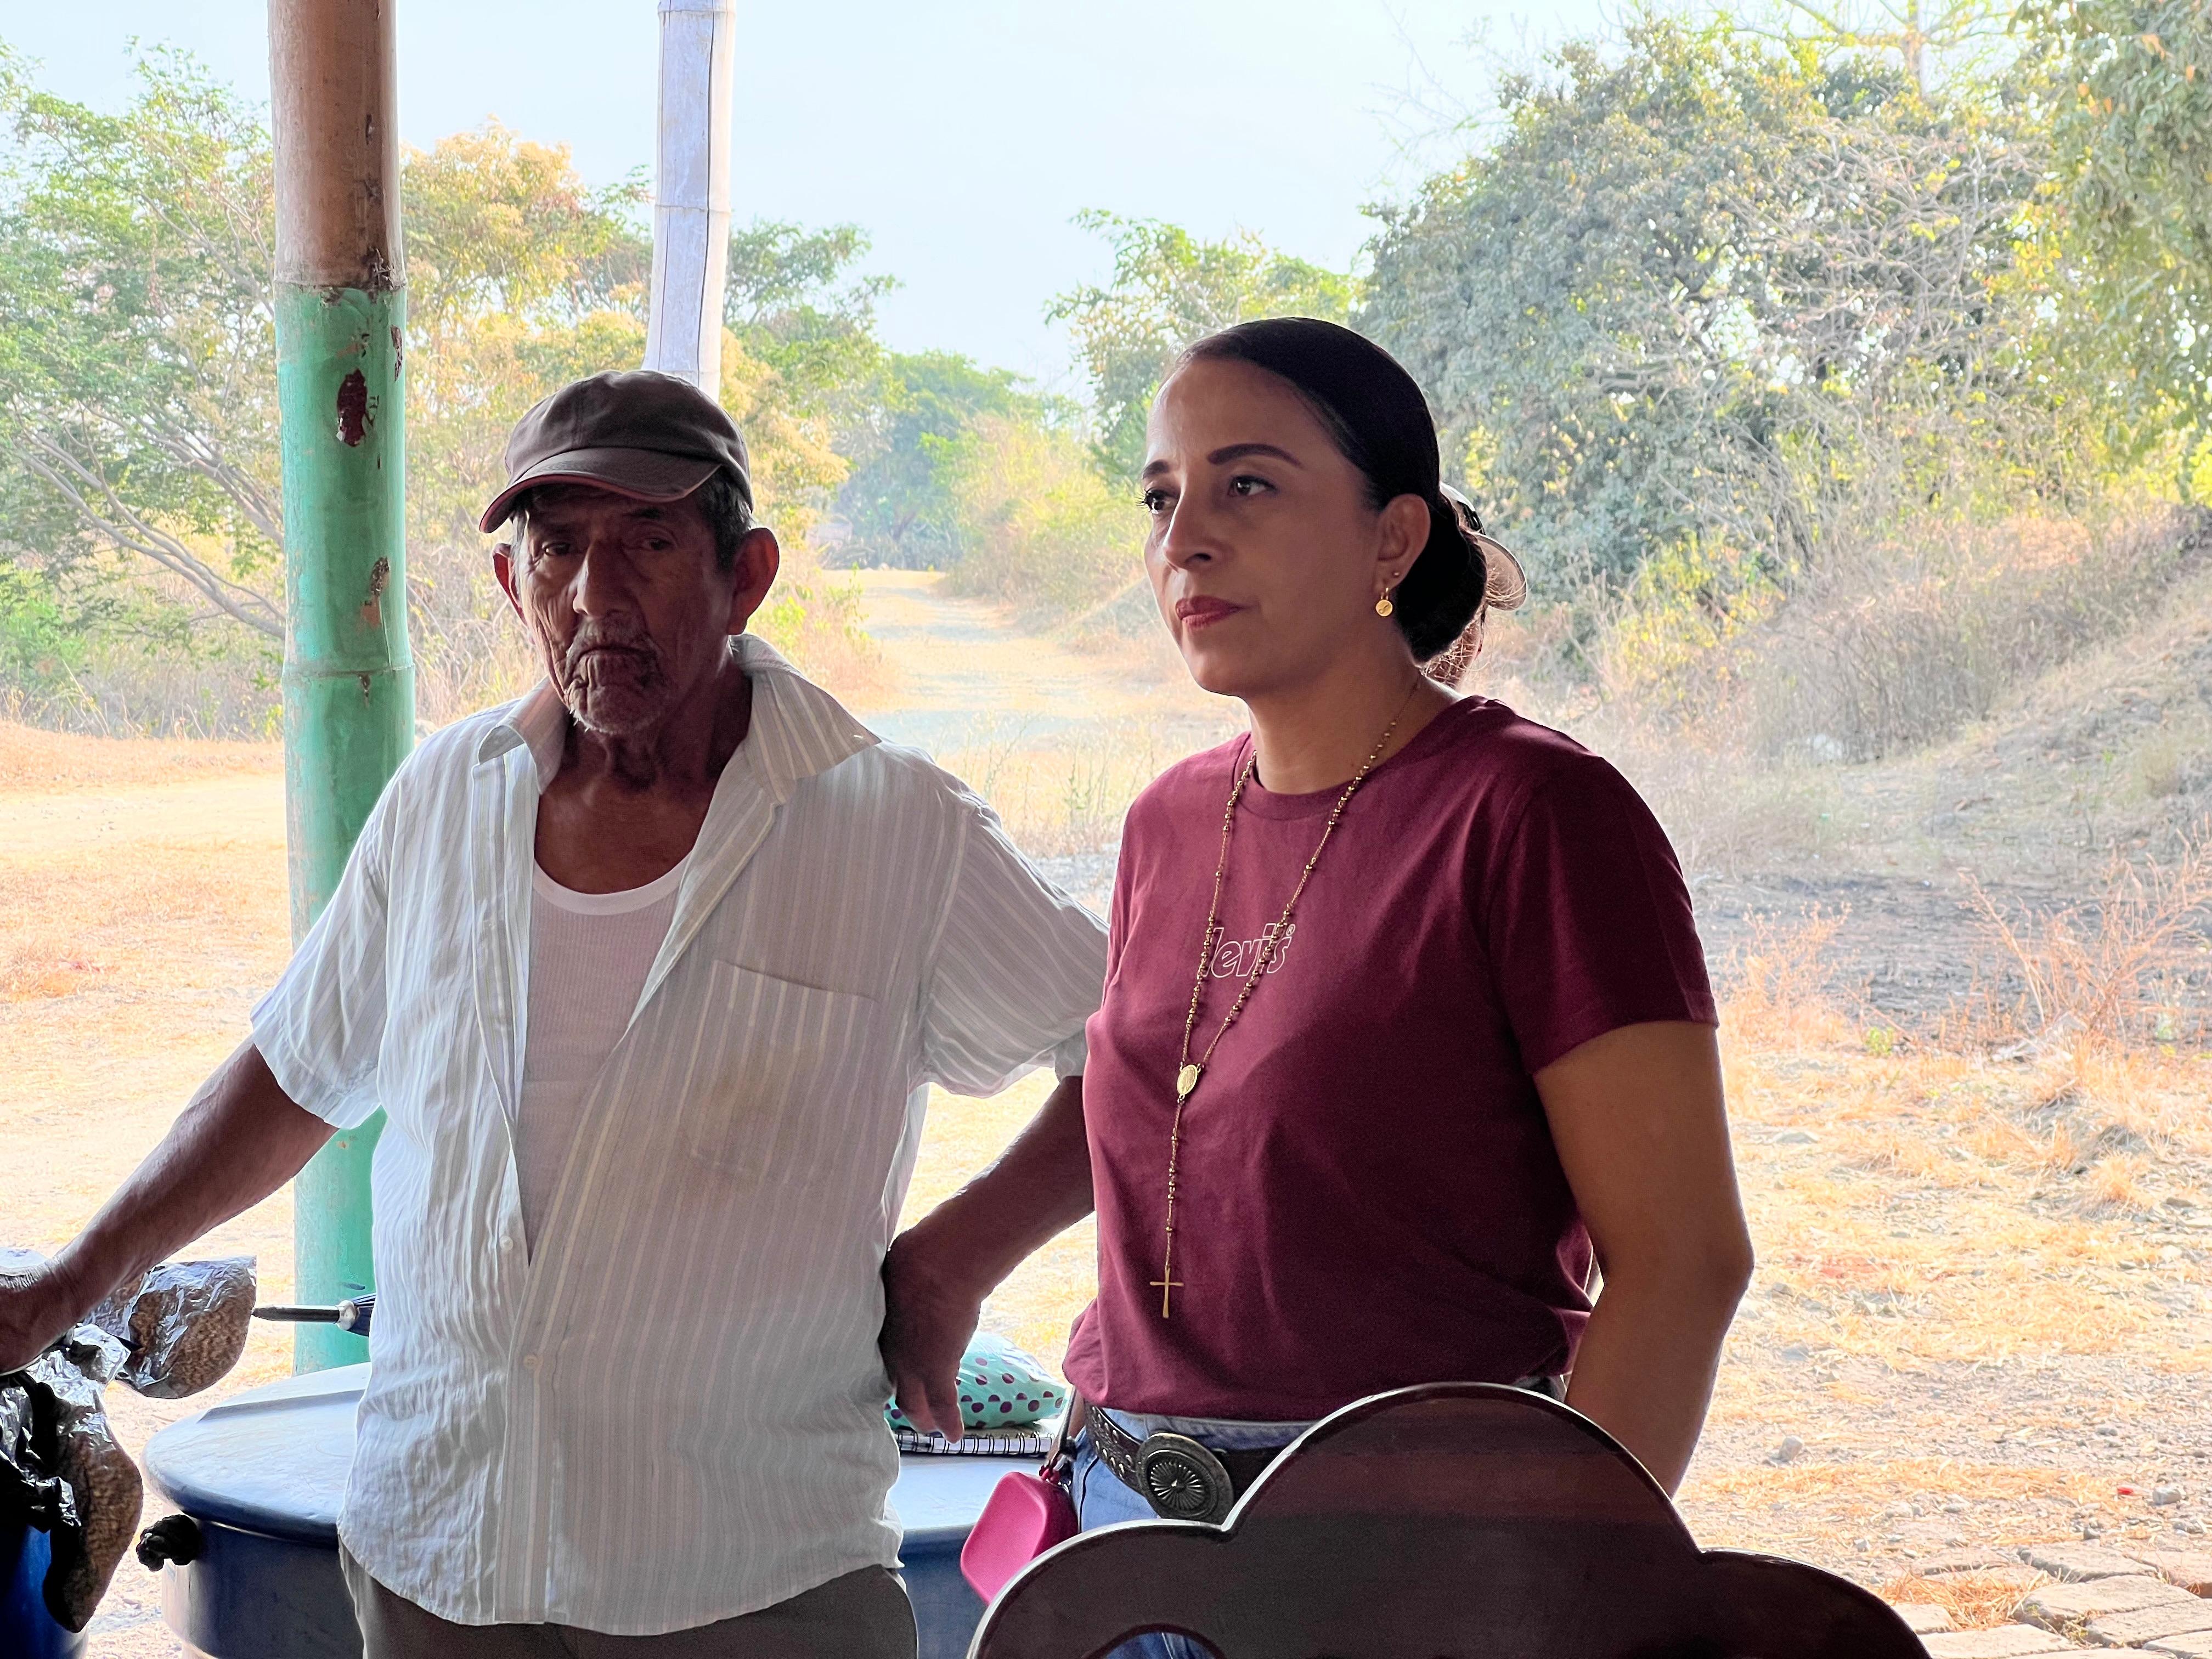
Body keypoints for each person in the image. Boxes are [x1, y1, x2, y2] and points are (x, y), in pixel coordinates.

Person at [0, 370, 1109, 1659]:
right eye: (559, 547)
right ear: (510, 582)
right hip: (443, 1554)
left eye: (649, 543)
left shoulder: (894, 824)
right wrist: (77, 1279)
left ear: (745, 576)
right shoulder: (443, 797)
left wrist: (953, 1259)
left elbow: (1140, 1058)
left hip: (749, 1573)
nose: (594, 592)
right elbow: (296, 1073)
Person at [882, 319, 1753, 1654]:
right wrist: (950, 1261)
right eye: (1161, 499)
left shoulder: (1534, 814)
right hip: (1117, 1531)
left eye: (1249, 485)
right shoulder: (1171, 820)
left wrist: (1550, 1591)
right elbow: (1177, 1097)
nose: (1185, 541)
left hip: (1401, 1561)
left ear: (1392, 540)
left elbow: (1685, 1261)